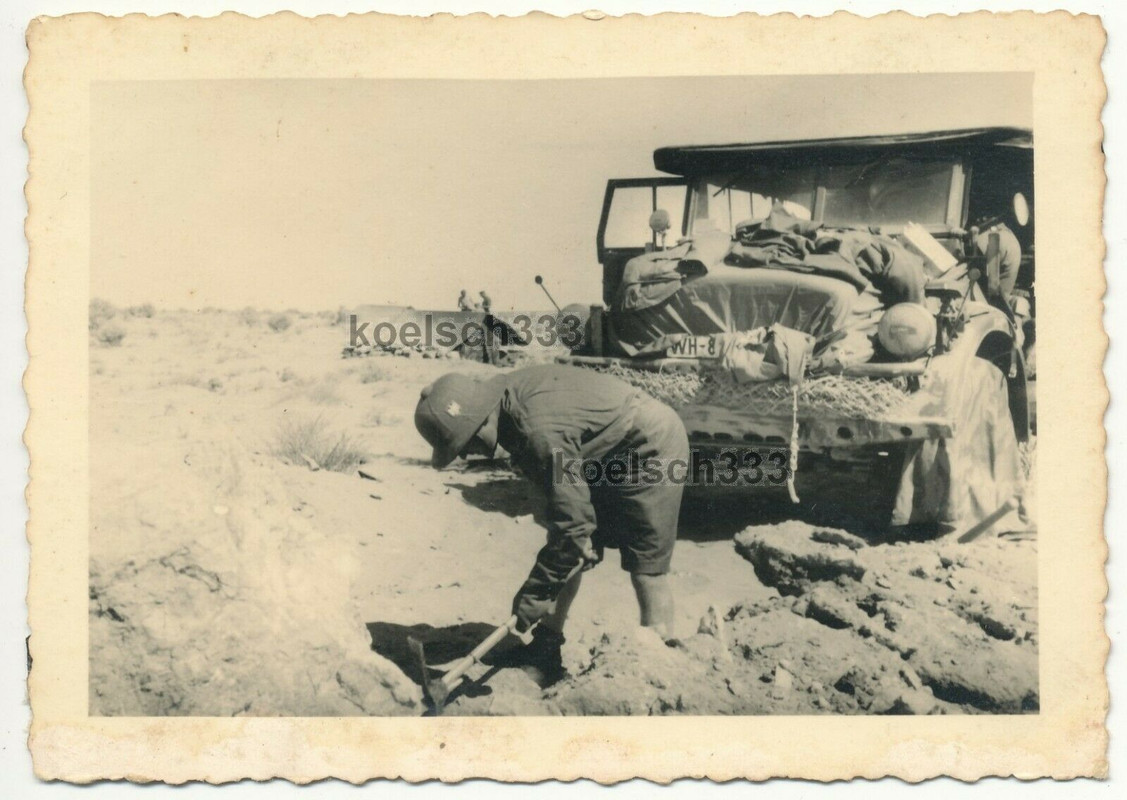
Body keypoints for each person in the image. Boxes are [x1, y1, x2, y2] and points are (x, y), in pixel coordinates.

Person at [414, 364, 689, 685]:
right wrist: (572, 546)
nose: (465, 456)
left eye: (465, 444)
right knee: (571, 547)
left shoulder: (536, 430)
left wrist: (531, 600)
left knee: (646, 567)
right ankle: (546, 648)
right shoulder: (501, 401)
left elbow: (573, 526)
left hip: (650, 445)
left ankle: (659, 666)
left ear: (482, 421)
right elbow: (570, 526)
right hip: (603, 448)